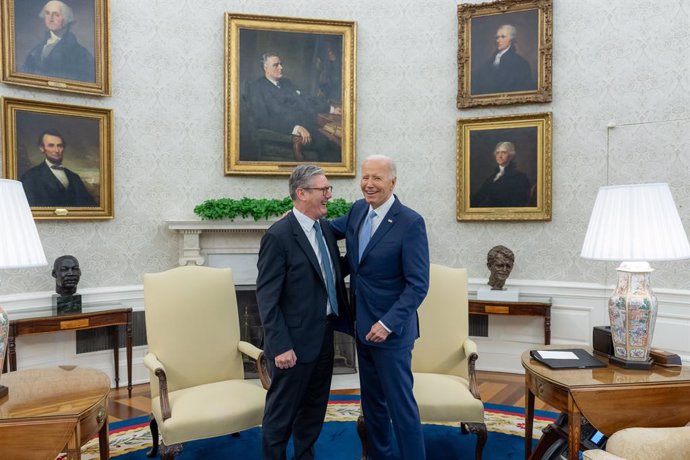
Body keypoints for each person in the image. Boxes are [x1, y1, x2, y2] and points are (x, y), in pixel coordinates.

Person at [330, 155, 430, 460]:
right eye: (364, 177)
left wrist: (387, 324)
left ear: (393, 182)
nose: (368, 184)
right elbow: (324, 231)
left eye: (377, 178)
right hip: (362, 328)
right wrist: (295, 218)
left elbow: (418, 285)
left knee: (400, 408)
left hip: (392, 334)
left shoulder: (410, 222)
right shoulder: (358, 210)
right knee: (372, 405)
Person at [256, 165, 353, 460]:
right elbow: (266, 298)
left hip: (323, 336)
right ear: (301, 193)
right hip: (292, 346)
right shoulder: (279, 236)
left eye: (329, 189)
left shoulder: (324, 228)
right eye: (323, 190)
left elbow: (329, 273)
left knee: (313, 411)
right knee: (280, 416)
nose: (328, 195)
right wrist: (281, 346)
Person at [247, 52, 341, 162]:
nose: (281, 68)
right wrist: (295, 128)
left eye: (281, 64)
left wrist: (330, 109)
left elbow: (305, 100)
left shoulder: (286, 83)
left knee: (335, 142)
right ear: (265, 68)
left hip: (308, 126)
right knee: (330, 146)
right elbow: (262, 120)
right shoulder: (256, 88)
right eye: (276, 65)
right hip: (287, 135)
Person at [22, 0, 95, 82]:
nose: (51, 18)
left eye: (56, 15)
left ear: (67, 19)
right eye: (47, 13)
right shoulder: (36, 51)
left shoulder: (80, 53)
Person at [20, 129, 97, 207]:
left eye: (59, 146)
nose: (56, 150)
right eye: (51, 145)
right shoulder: (30, 176)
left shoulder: (74, 178)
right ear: (42, 148)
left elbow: (90, 206)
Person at [472, 24, 535, 95]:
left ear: (511, 40)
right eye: (497, 37)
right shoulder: (490, 61)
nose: (498, 40)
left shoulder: (521, 63)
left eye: (503, 37)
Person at [471, 141, 531, 208]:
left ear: (511, 156)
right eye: (497, 153)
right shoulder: (491, 178)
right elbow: (478, 197)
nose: (499, 156)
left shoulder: (520, 177)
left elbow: (518, 203)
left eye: (504, 152)